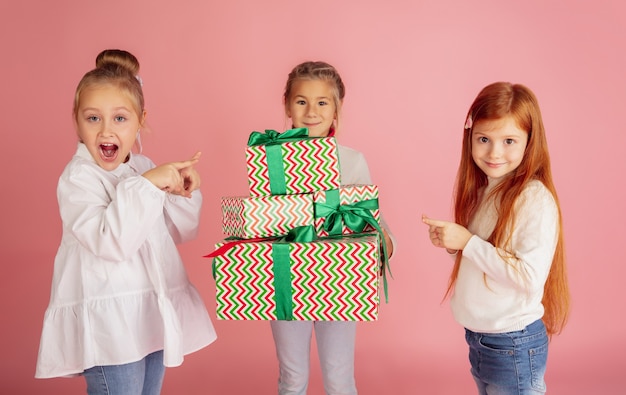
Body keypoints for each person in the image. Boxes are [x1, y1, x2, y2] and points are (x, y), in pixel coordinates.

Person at [35, 49, 217, 394]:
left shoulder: (141, 166)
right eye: (93, 118)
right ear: (76, 119)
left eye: (120, 118)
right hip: (110, 324)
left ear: (140, 119)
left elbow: (175, 232)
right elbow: (111, 242)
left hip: (148, 312)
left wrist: (182, 192)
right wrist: (149, 185)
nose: (106, 130)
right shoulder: (78, 180)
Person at [422, 82, 570, 394]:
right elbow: (483, 261)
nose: (494, 152)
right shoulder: (485, 190)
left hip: (512, 342)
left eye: (509, 141)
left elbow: (528, 278)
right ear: (470, 137)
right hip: (481, 340)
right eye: (484, 139)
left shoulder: (533, 198)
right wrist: (455, 245)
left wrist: (468, 242)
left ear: (530, 142)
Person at [270, 61, 395, 395]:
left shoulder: (352, 160)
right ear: (287, 105)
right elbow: (261, 222)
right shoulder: (271, 161)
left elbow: (372, 222)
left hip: (338, 280)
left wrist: (381, 240)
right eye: (301, 101)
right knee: (292, 377)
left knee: (339, 378)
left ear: (337, 109)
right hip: (288, 281)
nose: (312, 111)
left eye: (322, 102)